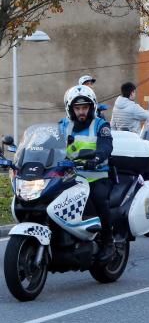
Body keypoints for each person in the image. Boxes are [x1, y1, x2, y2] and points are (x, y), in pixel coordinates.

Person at [59, 85, 115, 261]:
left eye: (85, 107)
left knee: (98, 199)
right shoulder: (63, 126)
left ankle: (108, 241)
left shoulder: (100, 125)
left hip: (96, 176)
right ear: (71, 109)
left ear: (92, 107)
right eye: (77, 108)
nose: (81, 112)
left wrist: (97, 158)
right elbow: (49, 143)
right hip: (70, 176)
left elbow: (106, 146)